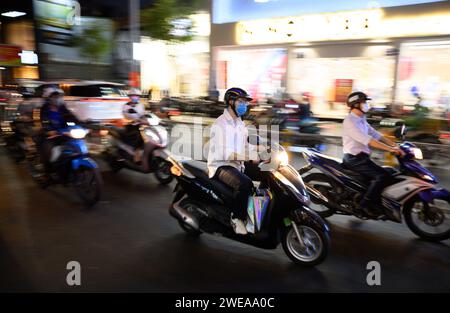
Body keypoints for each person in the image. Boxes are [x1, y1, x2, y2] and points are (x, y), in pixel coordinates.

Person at [342, 91, 405, 218]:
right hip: (354, 159)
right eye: (364, 102)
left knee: (391, 172)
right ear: (356, 104)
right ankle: (364, 205)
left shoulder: (361, 119)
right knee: (381, 176)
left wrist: (393, 144)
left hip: (362, 158)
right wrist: (390, 149)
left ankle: (378, 200)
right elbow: (369, 141)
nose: (366, 104)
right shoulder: (350, 122)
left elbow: (375, 134)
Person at [207, 87, 261, 235]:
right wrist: (250, 157)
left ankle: (255, 213)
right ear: (231, 102)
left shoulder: (239, 123)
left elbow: (244, 145)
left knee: (265, 174)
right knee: (245, 184)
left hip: (237, 165)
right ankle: (236, 217)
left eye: (245, 102)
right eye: (241, 101)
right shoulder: (220, 124)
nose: (245, 105)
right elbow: (226, 153)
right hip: (221, 166)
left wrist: (261, 148)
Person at [39, 86, 80, 175]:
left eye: (59, 97)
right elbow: (44, 122)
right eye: (54, 97)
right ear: (48, 98)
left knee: (75, 147)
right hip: (51, 135)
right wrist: (49, 130)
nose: (57, 99)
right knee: (49, 153)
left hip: (64, 133)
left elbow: (71, 117)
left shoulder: (62, 107)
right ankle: (47, 174)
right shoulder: (45, 109)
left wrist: (81, 123)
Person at [122, 88, 145, 163]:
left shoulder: (141, 105)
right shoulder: (126, 106)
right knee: (139, 138)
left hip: (140, 125)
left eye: (136, 96)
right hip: (131, 127)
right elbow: (126, 116)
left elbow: (143, 115)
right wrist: (132, 119)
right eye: (133, 96)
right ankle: (136, 157)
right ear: (130, 97)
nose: (135, 97)